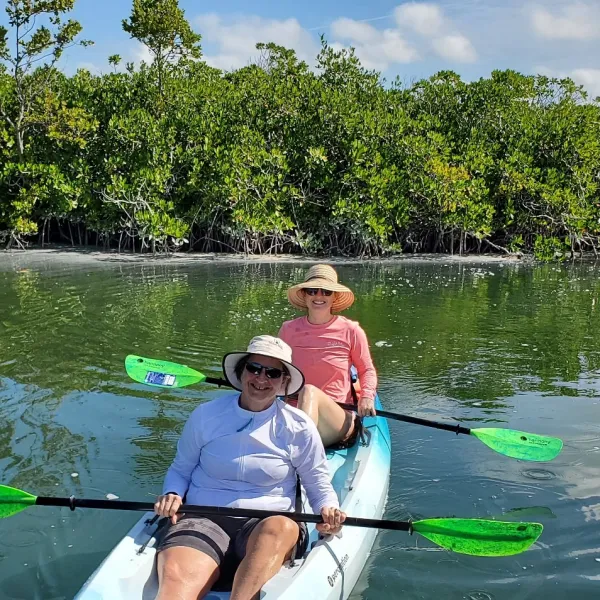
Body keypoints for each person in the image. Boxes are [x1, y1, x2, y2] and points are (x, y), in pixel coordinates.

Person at [153, 335, 346, 600]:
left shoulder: (299, 426)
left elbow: (317, 483)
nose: (261, 378)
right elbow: (180, 469)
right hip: (201, 517)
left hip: (268, 522)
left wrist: (328, 511)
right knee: (175, 588)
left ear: (284, 382)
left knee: (280, 528)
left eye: (273, 373)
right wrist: (173, 493)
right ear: (242, 372)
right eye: (254, 368)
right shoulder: (205, 415)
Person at [278, 264, 378, 448]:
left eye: (326, 291)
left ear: (334, 297)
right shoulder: (288, 330)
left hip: (338, 415)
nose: (318, 296)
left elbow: (366, 370)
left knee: (309, 391)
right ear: (305, 296)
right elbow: (277, 369)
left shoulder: (351, 330)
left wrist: (367, 397)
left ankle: (300, 454)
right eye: (312, 291)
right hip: (292, 411)